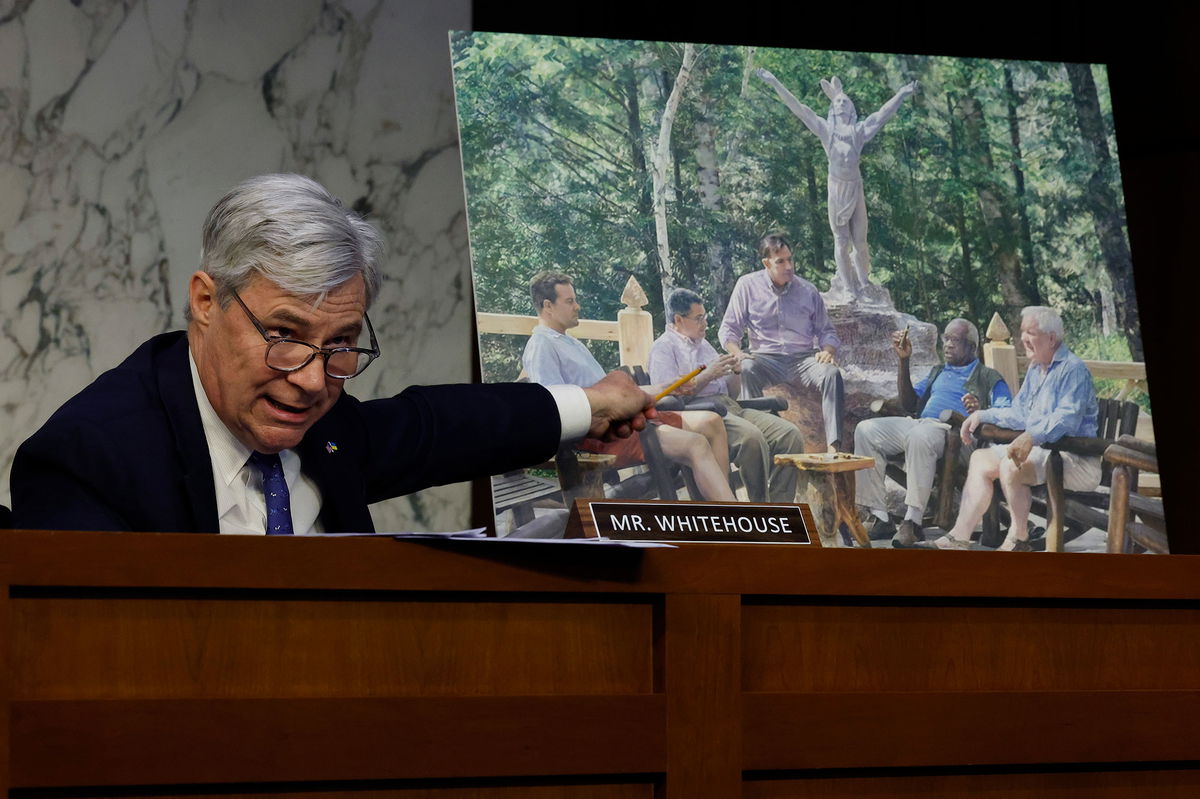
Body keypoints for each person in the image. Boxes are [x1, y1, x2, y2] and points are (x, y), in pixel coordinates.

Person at [10, 174, 654, 534]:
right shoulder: (88, 459)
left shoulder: (326, 426)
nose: (313, 382)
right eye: (285, 336)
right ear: (206, 302)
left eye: (342, 345)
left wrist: (592, 405)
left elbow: (438, 427)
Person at [523, 271, 736, 502]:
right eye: (569, 301)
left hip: (623, 419)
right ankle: (728, 517)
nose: (577, 306)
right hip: (600, 435)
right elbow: (557, 408)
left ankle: (719, 508)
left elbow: (615, 396)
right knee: (695, 444)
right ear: (548, 306)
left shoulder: (569, 342)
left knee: (711, 422)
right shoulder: (542, 345)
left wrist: (670, 386)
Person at [930, 306, 1100, 551]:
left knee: (1012, 463)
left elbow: (1067, 419)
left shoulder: (1072, 369)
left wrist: (1031, 436)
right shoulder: (1036, 369)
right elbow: (1019, 413)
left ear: (1051, 338)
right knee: (980, 458)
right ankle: (959, 537)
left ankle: (1019, 538)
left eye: (1030, 332)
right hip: (1045, 454)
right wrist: (981, 414)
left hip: (1076, 460)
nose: (1023, 339)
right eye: (1022, 333)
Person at [755, 69, 916, 298]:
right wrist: (775, 82)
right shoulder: (826, 130)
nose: (841, 104)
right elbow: (799, 108)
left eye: (844, 101)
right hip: (837, 188)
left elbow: (882, 115)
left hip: (855, 187)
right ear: (833, 107)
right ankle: (848, 289)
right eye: (837, 101)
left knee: (860, 241)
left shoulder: (858, 132)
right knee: (841, 241)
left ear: (850, 108)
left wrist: (902, 93)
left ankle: (863, 282)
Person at [854, 318, 1012, 547]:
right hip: (921, 424)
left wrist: (981, 411)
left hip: (956, 435)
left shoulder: (988, 377)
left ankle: (913, 521)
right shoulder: (937, 372)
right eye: (945, 339)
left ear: (972, 347)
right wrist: (903, 361)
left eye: (954, 340)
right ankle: (880, 516)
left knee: (920, 436)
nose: (947, 344)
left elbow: (1006, 412)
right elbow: (909, 403)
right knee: (866, 430)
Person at [648, 288, 805, 503]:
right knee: (751, 438)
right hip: (702, 413)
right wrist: (707, 374)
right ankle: (761, 508)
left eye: (705, 317)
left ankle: (780, 506)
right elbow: (668, 397)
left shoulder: (703, 345)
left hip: (731, 406)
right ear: (678, 319)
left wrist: (735, 372)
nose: (705, 323)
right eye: (698, 318)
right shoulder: (664, 348)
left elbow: (731, 392)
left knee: (790, 434)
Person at [718, 233, 846, 450]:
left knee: (832, 373)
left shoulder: (808, 290)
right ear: (766, 263)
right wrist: (737, 353)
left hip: (803, 359)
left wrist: (828, 350)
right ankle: (761, 442)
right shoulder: (747, 286)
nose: (788, 266)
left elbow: (827, 331)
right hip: (765, 358)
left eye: (790, 259)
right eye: (781, 261)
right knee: (747, 368)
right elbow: (729, 329)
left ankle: (834, 445)